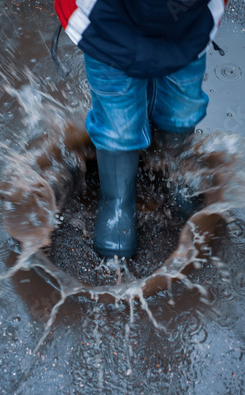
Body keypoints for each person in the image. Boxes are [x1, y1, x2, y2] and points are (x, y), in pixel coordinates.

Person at [54, 0, 227, 258]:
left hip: (188, 22)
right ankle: (118, 199)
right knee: (117, 121)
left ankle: (172, 167)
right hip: (108, 25)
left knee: (181, 109)